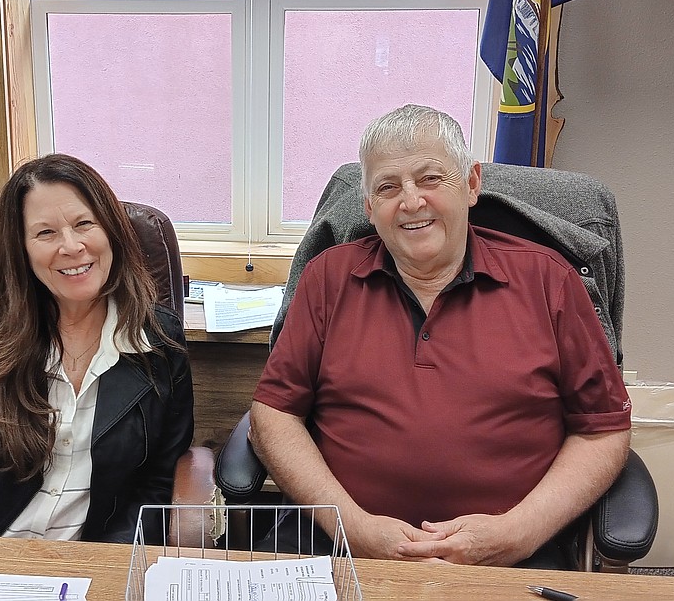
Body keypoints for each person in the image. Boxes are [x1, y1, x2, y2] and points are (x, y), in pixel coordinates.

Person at [249, 105, 631, 567]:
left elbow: (603, 431)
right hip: (342, 550)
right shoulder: (328, 277)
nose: (411, 202)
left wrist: (517, 533)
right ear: (369, 208)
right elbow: (273, 414)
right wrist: (353, 527)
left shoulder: (549, 281)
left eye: (430, 179)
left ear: (471, 185)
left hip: (511, 559)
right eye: (388, 187)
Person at [0, 153, 195, 543]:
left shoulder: (159, 340)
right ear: (23, 249)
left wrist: (109, 566)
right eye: (45, 233)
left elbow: (156, 486)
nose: (71, 246)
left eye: (84, 224)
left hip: (88, 563)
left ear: (111, 231)